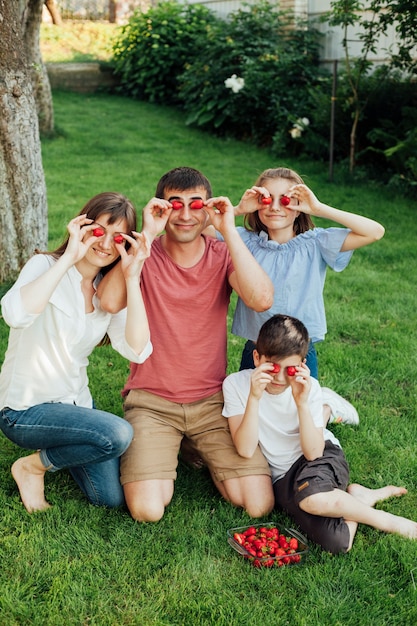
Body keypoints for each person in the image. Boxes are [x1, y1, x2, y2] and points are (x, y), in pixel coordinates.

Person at [97, 166, 275, 522]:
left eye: (197, 205)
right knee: (148, 510)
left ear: (208, 209)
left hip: (212, 402)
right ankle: (176, 443)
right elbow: (110, 302)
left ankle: (194, 444)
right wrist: (147, 234)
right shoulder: (144, 252)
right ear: (162, 207)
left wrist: (227, 230)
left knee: (258, 505)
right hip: (152, 402)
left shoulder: (220, 253)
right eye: (175, 204)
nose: (186, 214)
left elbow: (261, 299)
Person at [0, 192, 153, 513]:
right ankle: (31, 467)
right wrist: (69, 257)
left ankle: (60, 447)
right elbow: (15, 314)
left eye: (118, 237)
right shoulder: (45, 265)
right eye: (98, 231)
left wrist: (133, 277)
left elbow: (137, 350)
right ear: (81, 227)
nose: (106, 244)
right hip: (24, 411)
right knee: (118, 433)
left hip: (75, 404)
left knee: (108, 498)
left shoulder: (107, 290)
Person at [222, 314, 417, 554]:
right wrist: (254, 397)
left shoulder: (309, 388)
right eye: (272, 367)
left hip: (320, 457)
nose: (280, 378)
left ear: (303, 364)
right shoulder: (235, 385)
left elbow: (314, 452)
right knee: (338, 543)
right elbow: (245, 449)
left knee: (313, 499)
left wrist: (302, 403)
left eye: (290, 369)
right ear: (256, 357)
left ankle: (389, 521)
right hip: (283, 478)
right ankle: (357, 498)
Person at [231, 167, 385, 383]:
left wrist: (319, 208)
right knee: (250, 405)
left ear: (298, 207)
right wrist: (238, 209)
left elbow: (375, 231)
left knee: (303, 408)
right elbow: (202, 227)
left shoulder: (316, 243)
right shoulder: (244, 241)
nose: (275, 207)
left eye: (285, 200)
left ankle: (328, 407)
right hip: (257, 350)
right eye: (266, 200)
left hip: (300, 351)